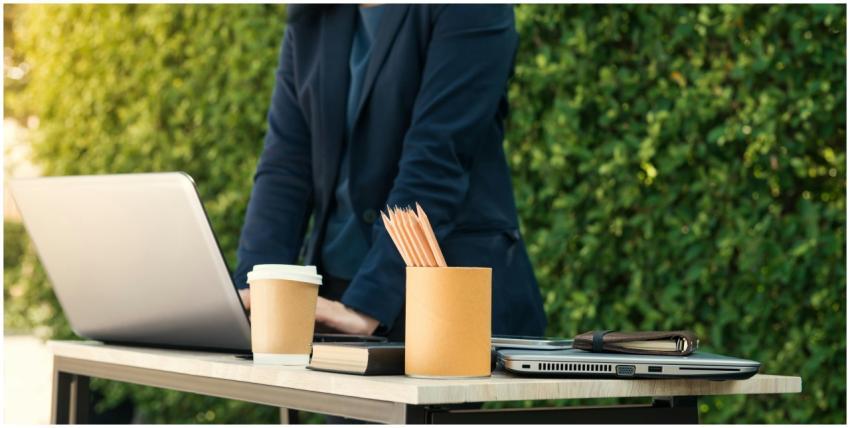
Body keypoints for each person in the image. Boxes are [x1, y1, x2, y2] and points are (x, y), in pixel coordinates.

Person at [233, 4, 546, 342]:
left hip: (439, 299)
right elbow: (285, 169)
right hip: (333, 294)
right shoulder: (315, 14)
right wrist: (251, 294)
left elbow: (437, 161)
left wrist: (366, 307)